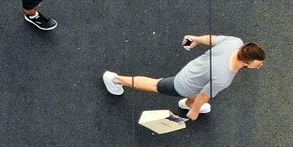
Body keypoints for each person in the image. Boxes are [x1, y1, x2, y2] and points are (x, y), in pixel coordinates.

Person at [102, 36, 266, 122]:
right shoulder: (224, 77)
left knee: (197, 92)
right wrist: (194, 111)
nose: (260, 66)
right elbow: (204, 95)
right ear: (245, 62)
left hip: (196, 70)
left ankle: (186, 103)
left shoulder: (235, 42)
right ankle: (115, 79)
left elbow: (213, 38)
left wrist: (196, 39)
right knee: (154, 85)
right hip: (184, 85)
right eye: (257, 65)